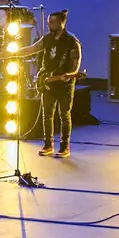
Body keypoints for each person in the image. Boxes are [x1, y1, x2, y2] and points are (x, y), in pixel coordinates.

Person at [14, 9, 82, 158]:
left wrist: (68, 76)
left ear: (61, 23)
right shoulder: (47, 39)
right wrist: (12, 53)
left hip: (64, 85)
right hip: (48, 82)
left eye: (52, 22)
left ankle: (65, 147)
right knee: (47, 115)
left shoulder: (72, 42)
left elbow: (75, 66)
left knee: (64, 115)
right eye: (48, 22)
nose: (49, 25)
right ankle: (48, 145)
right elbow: (31, 49)